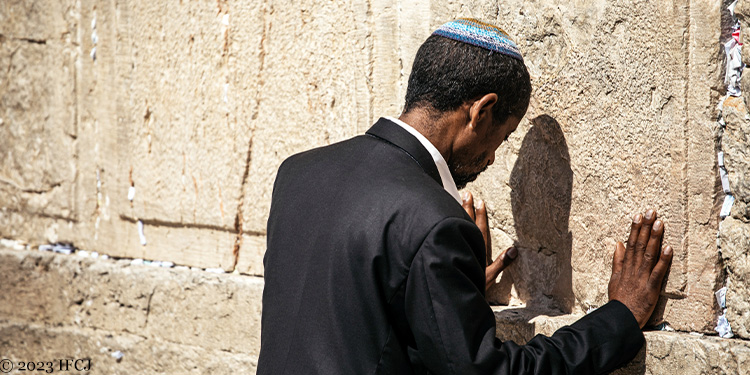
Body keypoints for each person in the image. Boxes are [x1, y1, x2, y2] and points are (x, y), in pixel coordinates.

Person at [257, 18, 673, 374]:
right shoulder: (434, 221)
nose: (492, 158)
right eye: (502, 137)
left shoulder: (298, 173)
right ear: (482, 111)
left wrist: (448, 289)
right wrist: (619, 317)